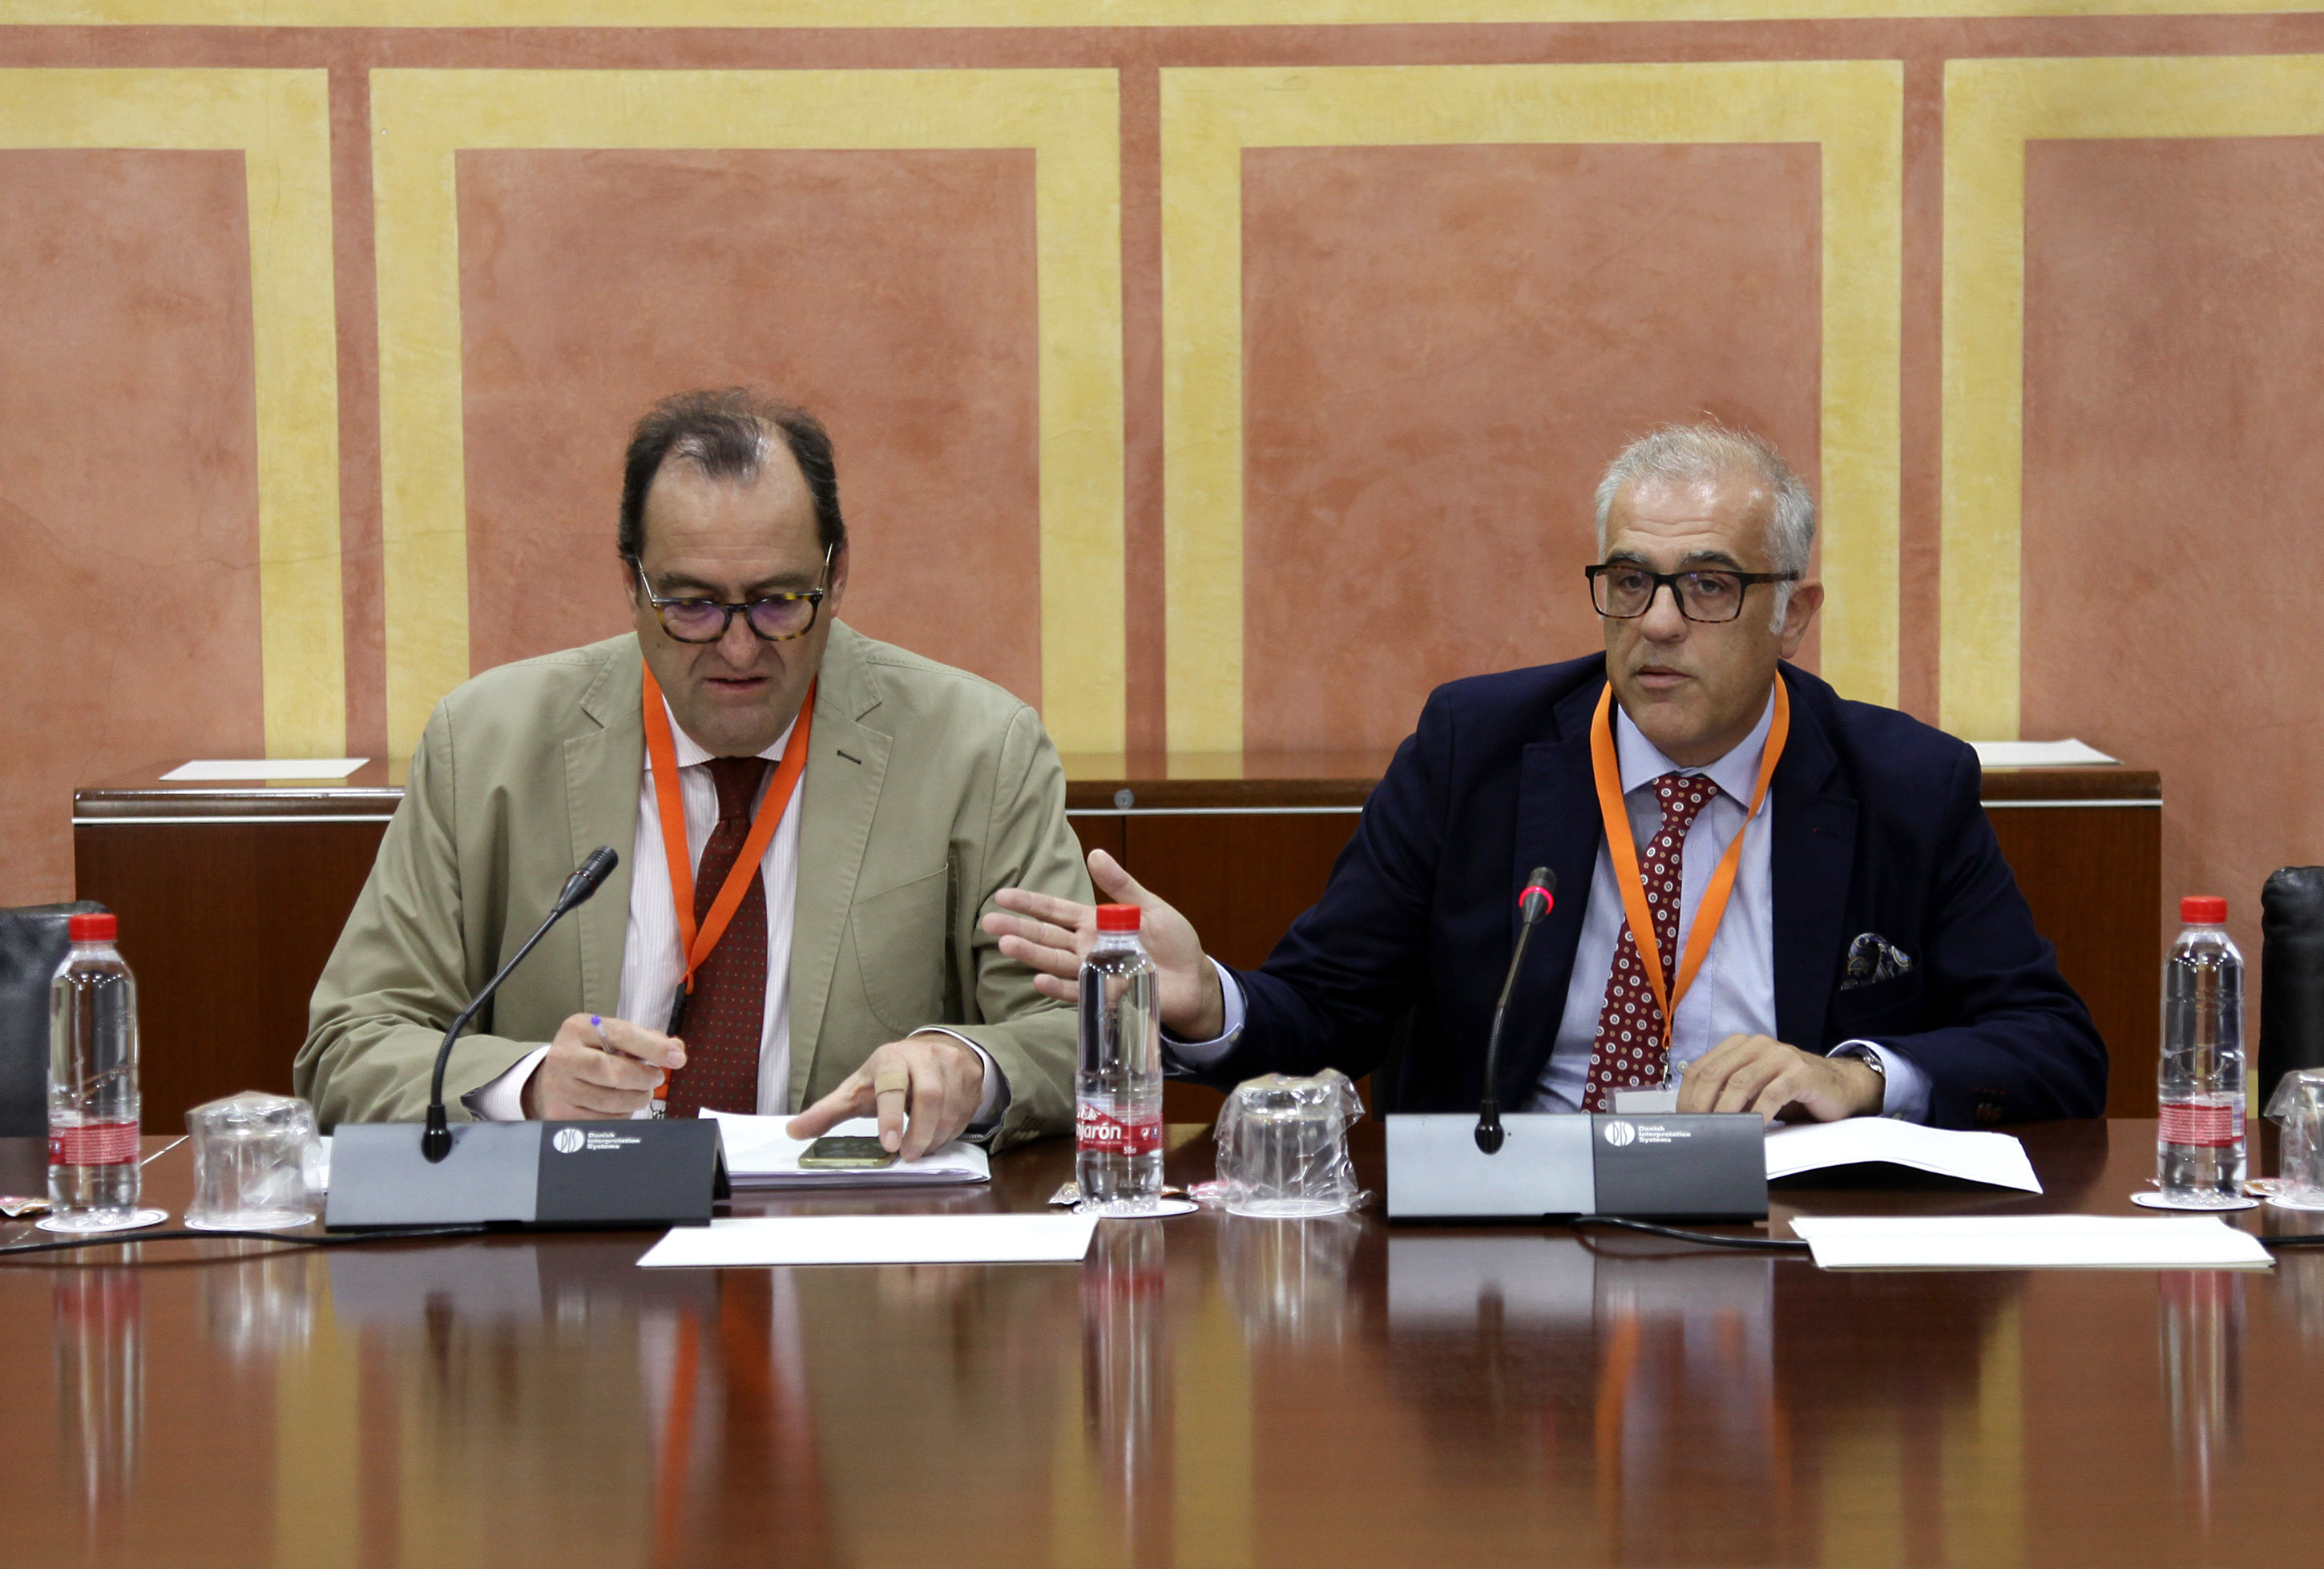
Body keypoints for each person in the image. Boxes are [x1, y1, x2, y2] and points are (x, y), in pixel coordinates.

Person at [987, 423, 2105, 1127]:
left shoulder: (1902, 781)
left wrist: (1861, 1074)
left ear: (1790, 617)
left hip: (1785, 1234)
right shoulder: (1478, 746)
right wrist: (1207, 998)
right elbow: (1328, 1005)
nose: (1659, 623)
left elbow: (2054, 1047)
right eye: (1630, 581)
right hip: (1513, 1228)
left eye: (1708, 586)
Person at [297, 389, 1087, 1156]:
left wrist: (967, 1066)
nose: (738, 648)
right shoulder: (484, 748)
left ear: (836, 577)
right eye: (692, 605)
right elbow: (347, 1046)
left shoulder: (977, 750)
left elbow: (1074, 1036)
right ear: (632, 585)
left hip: (852, 1249)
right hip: (579, 1248)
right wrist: (530, 1086)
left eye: (777, 601)